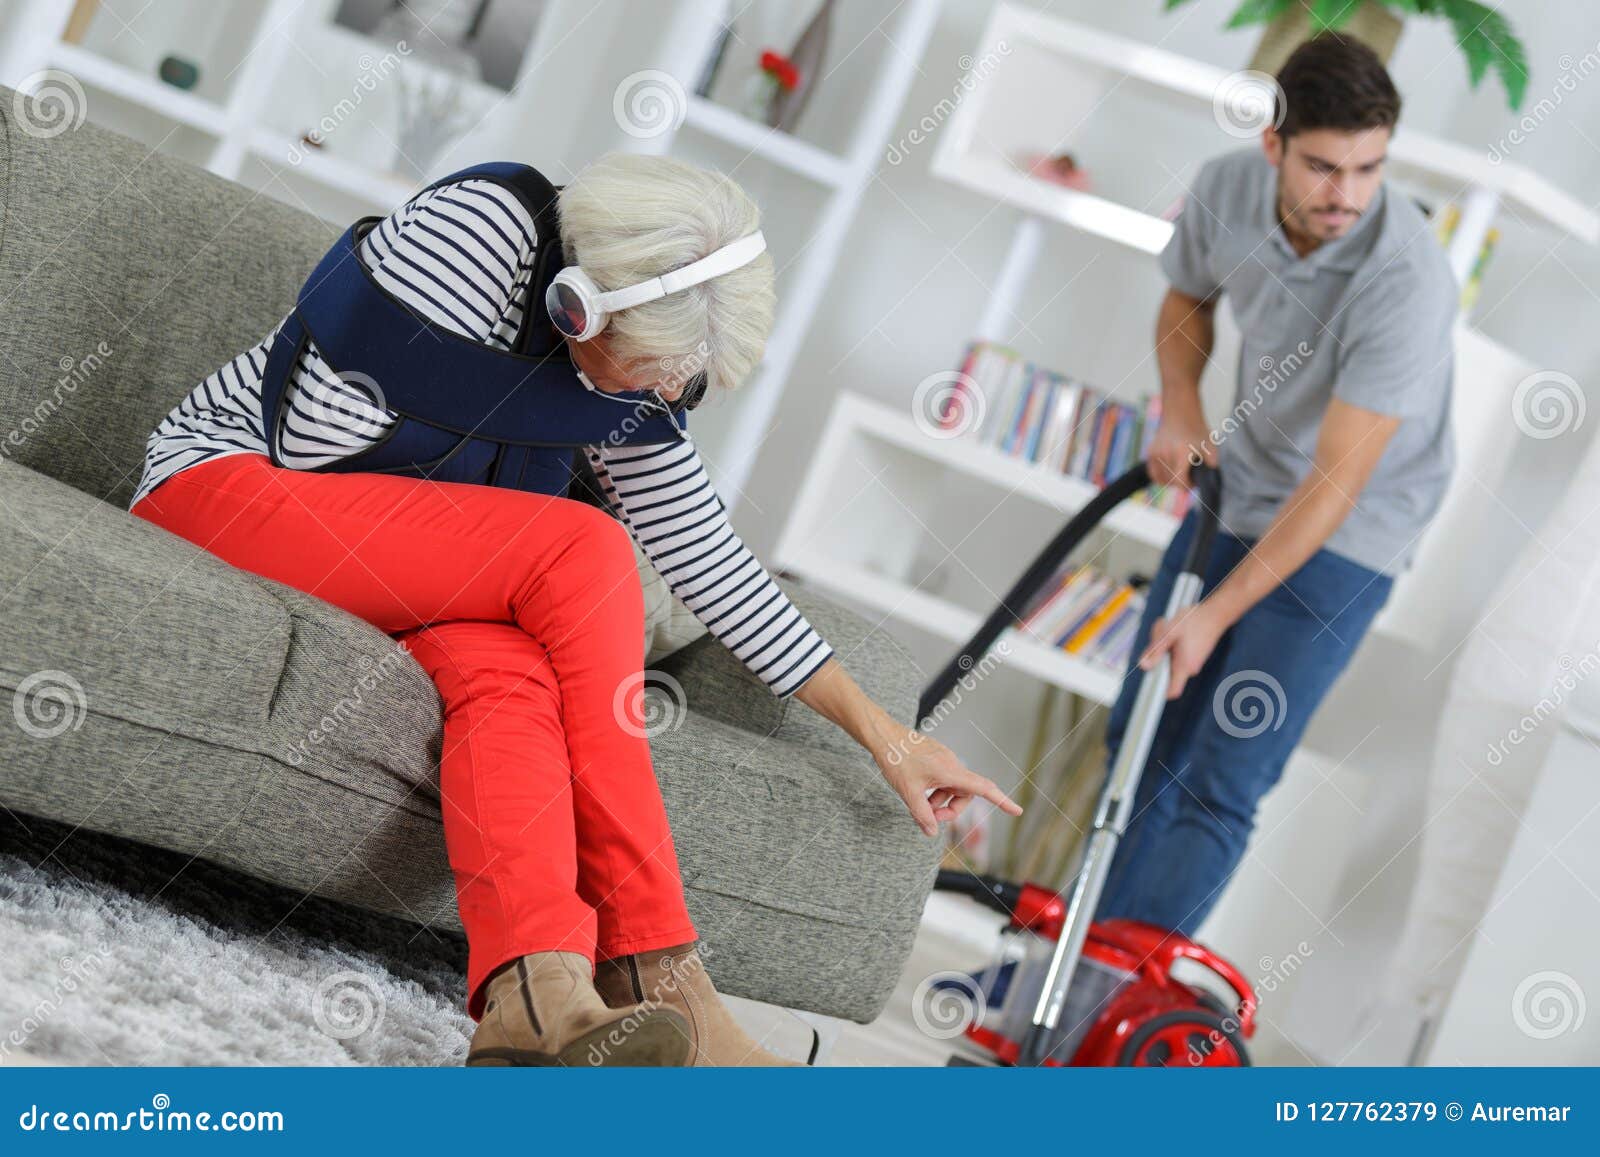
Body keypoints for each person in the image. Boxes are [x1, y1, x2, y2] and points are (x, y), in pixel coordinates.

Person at [129, 151, 1021, 1067]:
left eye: (685, 378)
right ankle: (657, 966)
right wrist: (540, 415)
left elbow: (709, 560)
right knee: (582, 543)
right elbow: (311, 444)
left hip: (407, 575)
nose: (669, 394)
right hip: (235, 494)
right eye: (659, 366)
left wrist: (889, 737)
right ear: (576, 306)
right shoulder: (481, 229)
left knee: (512, 680)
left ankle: (538, 1004)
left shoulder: (625, 381)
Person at [1092, 33, 1456, 936]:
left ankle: (1114, 1008)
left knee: (1222, 771)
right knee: (1138, 737)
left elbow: (1335, 486)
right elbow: (1186, 296)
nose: (1348, 195)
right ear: (1274, 147)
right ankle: (1055, 983)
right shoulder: (1226, 190)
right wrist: (1179, 405)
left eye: (1369, 169)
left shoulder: (1405, 277)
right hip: (1241, 487)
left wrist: (1213, 616)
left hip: (1351, 533)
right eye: (1325, 167)